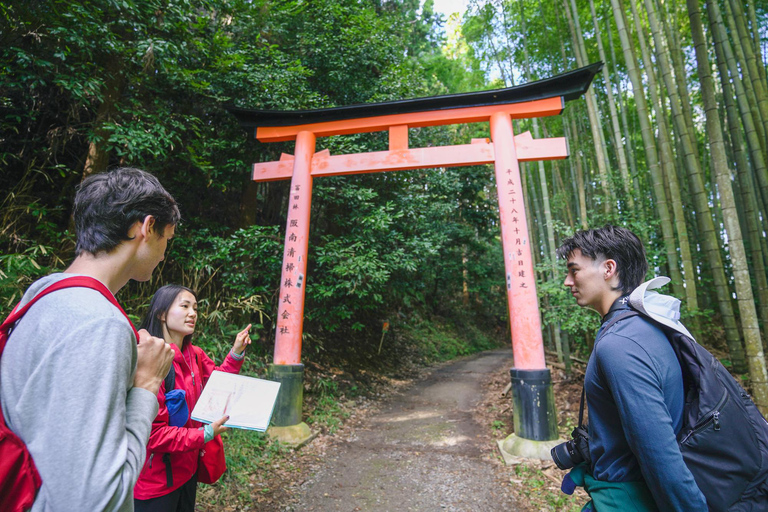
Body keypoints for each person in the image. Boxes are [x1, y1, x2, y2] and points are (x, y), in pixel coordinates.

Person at [0, 167, 179, 510]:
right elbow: (97, 501)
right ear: (147, 227)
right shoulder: (99, 324)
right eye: (166, 240)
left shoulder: (41, 297)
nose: (162, 254)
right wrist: (146, 386)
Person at [556, 225, 707, 511]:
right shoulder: (645, 326)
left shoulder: (620, 344)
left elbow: (660, 455)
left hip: (628, 501)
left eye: (574, 270)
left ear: (608, 268)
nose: (567, 281)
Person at [133, 284, 252, 511]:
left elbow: (219, 384)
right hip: (155, 481)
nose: (193, 313)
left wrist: (236, 353)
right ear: (161, 313)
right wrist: (204, 434)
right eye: (185, 306)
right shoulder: (150, 360)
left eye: (195, 308)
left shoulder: (194, 355)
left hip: (187, 470)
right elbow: (153, 434)